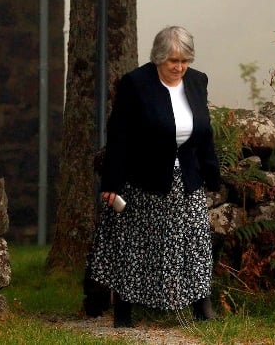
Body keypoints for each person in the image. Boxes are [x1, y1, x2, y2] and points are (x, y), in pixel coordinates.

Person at [87, 25, 221, 327]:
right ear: (159, 57)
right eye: (173, 60)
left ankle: (202, 308)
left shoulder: (198, 82)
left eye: (185, 60)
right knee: (135, 246)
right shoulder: (136, 83)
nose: (179, 67)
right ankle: (124, 312)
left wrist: (212, 175)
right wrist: (111, 183)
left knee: (195, 243)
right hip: (144, 179)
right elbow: (120, 137)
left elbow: (205, 133)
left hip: (186, 179)